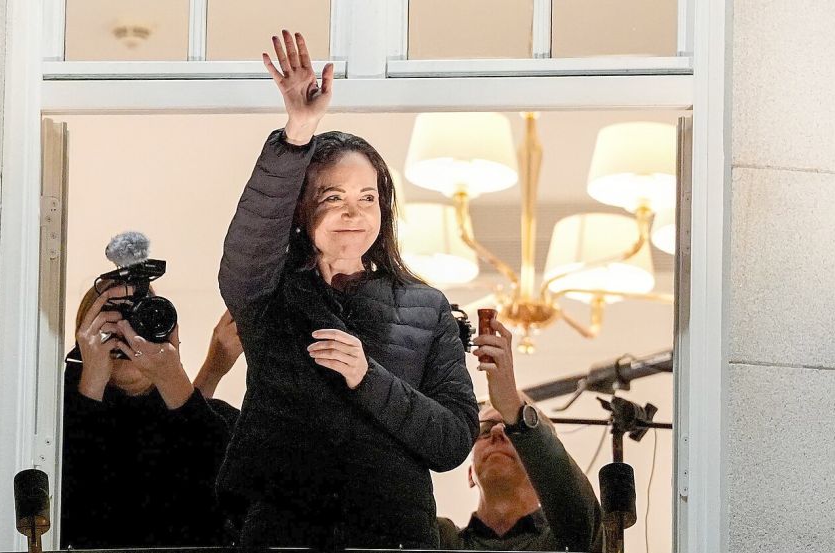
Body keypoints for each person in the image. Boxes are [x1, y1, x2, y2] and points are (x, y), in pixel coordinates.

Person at [217, 30, 479, 549]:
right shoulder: (267, 292)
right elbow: (248, 246)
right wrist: (299, 130)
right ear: (300, 209)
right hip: (281, 534)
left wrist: (368, 377)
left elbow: (451, 442)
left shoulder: (427, 308)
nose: (353, 212)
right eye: (332, 196)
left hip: (392, 538)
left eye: (367, 196)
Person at [59, 285, 242, 550]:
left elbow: (226, 495)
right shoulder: (47, 419)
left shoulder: (207, 418)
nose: (129, 333)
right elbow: (71, 502)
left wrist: (173, 377)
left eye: (140, 317)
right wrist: (91, 382)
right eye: (112, 320)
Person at [437, 318, 604, 552]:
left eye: (510, 429)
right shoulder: (442, 541)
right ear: (470, 475)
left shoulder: (562, 542)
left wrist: (513, 407)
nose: (496, 431)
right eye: (485, 430)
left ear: (540, 471)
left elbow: (581, 521)